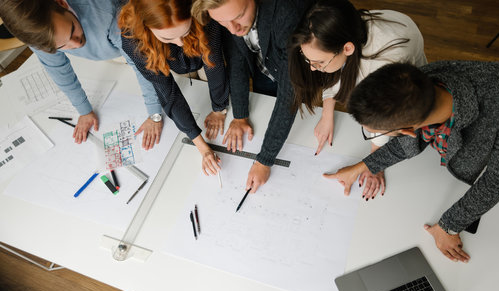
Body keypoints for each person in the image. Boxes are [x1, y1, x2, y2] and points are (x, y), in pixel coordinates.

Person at [324, 61, 499, 263]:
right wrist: (363, 166)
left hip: (498, 139)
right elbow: (410, 140)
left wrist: (449, 226)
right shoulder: (417, 82)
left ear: (407, 130)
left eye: (375, 133)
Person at [288, 0, 426, 199]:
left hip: (403, 87)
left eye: (318, 63)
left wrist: (374, 162)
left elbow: (380, 121)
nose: (311, 68)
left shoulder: (384, 65)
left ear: (347, 48)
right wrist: (327, 114)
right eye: (307, 58)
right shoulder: (343, 30)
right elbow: (337, 70)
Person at [0, 0, 164, 150]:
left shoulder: (106, 13)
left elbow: (143, 64)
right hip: (111, 45)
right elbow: (60, 71)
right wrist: (84, 111)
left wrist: (154, 114)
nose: (76, 44)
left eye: (72, 30)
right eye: (62, 46)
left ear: (62, 4)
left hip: (146, 30)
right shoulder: (39, 36)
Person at [192, 0, 310, 192]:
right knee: (265, 105)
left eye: (238, 17)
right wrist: (240, 115)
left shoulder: (286, 14)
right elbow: (236, 58)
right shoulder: (228, 15)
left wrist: (265, 160)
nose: (233, 29)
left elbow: (291, 91)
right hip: (264, 66)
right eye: (223, 23)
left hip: (299, 70)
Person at [118, 0, 229, 175]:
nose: (179, 43)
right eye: (168, 38)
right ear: (146, 27)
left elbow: (213, 64)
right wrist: (201, 146)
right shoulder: (133, 41)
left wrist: (219, 108)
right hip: (175, 64)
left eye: (185, 32)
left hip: (203, 55)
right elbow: (168, 93)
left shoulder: (202, 12)